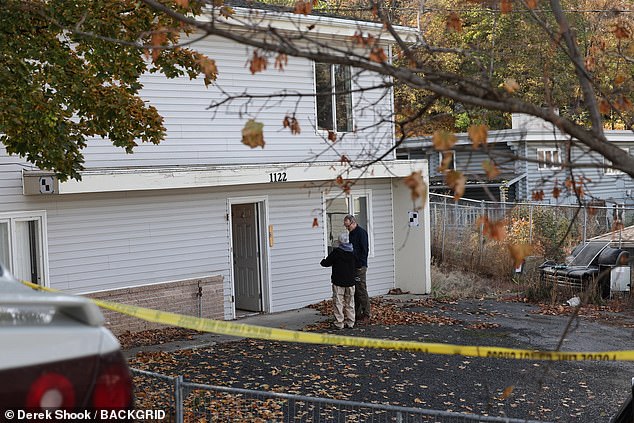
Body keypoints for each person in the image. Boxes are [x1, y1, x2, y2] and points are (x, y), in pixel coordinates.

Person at [320, 232, 356, 329]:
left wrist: (322, 260)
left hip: (338, 281)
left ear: (340, 242)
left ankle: (339, 323)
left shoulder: (336, 253)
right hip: (351, 281)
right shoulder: (353, 251)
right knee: (350, 303)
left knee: (338, 303)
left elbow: (326, 263)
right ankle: (351, 322)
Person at [344, 214, 370, 322]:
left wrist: (359, 263)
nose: (347, 228)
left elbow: (364, 250)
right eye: (346, 226)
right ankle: (357, 312)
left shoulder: (361, 233)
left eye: (348, 226)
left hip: (360, 266)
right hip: (353, 265)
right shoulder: (351, 234)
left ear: (353, 223)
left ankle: (367, 313)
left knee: (361, 289)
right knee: (354, 291)